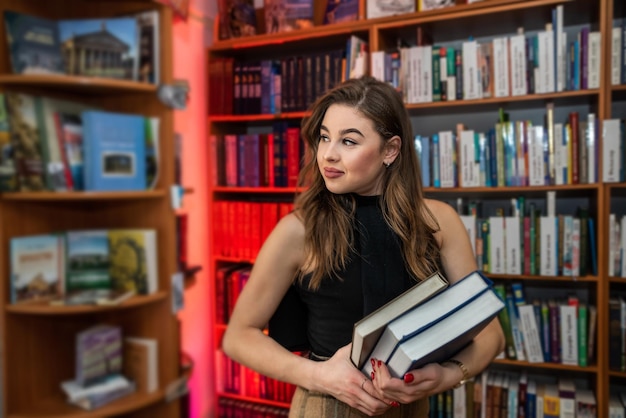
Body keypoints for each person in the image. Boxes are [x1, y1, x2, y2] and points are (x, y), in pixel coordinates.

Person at [222, 76, 505, 417]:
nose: (328, 153)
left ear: (390, 150)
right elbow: (238, 337)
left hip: (411, 408)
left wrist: (446, 375)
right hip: (327, 404)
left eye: (349, 141)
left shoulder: (439, 222)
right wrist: (320, 376)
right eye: (324, 137)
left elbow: (491, 335)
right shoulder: (298, 230)